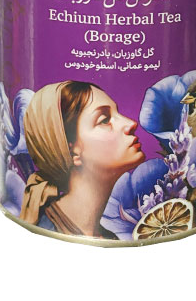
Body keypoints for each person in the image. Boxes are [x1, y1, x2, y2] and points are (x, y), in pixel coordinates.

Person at [19, 80, 145, 238]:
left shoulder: (107, 236)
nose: (131, 123)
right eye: (104, 120)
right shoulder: (47, 229)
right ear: (71, 152)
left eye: (117, 114)